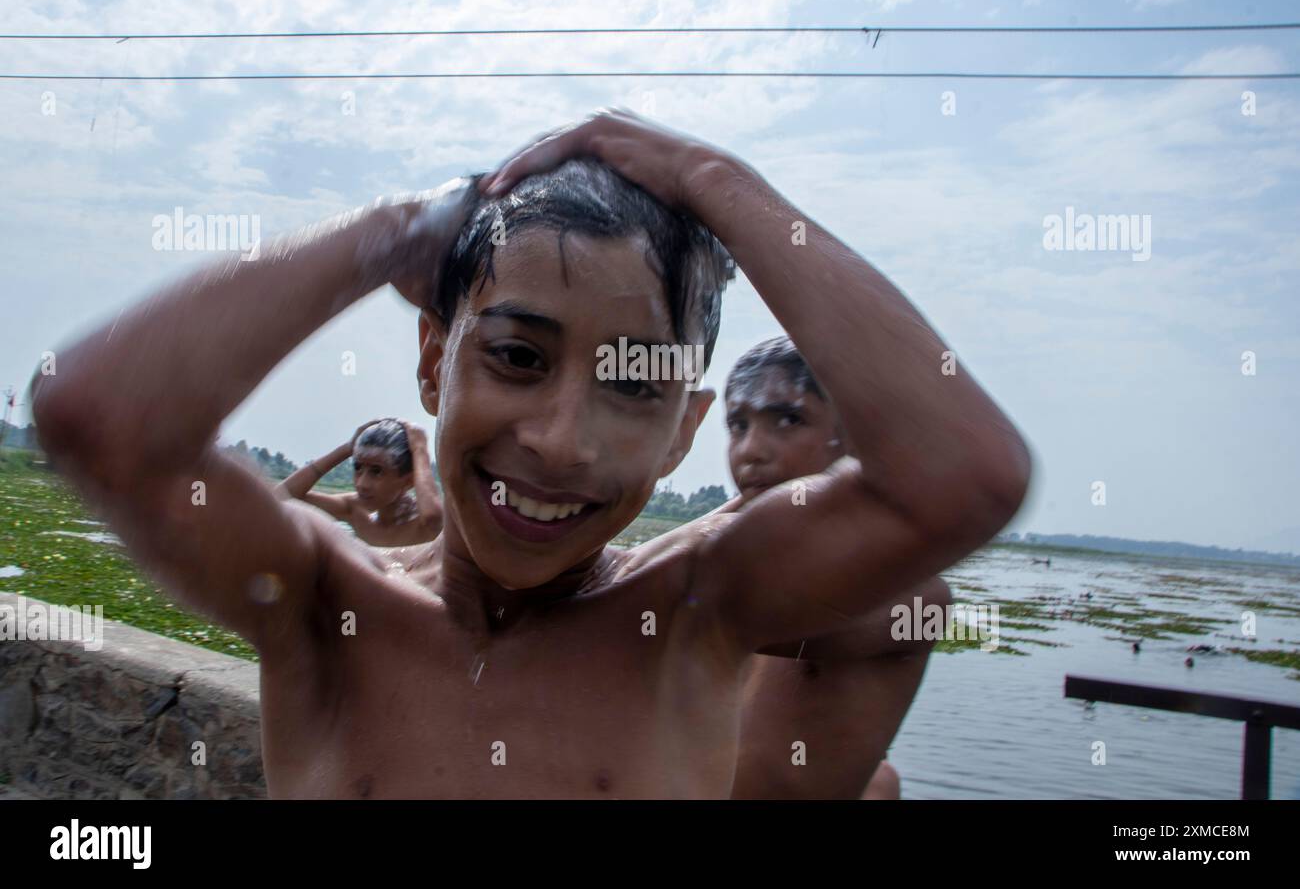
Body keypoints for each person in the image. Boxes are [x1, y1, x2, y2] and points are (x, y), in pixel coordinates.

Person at [31, 108, 1029, 797]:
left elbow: (966, 474)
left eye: (634, 385)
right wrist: (392, 230)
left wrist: (712, 181)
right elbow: (97, 416)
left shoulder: (694, 609)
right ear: (433, 364)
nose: (561, 438)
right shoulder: (324, 599)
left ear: (684, 426)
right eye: (515, 355)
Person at [722, 336, 949, 800]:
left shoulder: (915, 592)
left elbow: (737, 619)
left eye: (788, 419)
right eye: (738, 424)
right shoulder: (738, 565)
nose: (751, 450)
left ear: (855, 437)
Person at [274, 418, 443, 549]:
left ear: (408, 482)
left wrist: (420, 449)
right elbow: (281, 497)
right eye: (358, 468)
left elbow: (433, 518)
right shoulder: (354, 510)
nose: (362, 484)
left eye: (377, 472)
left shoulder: (423, 522)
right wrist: (348, 448)